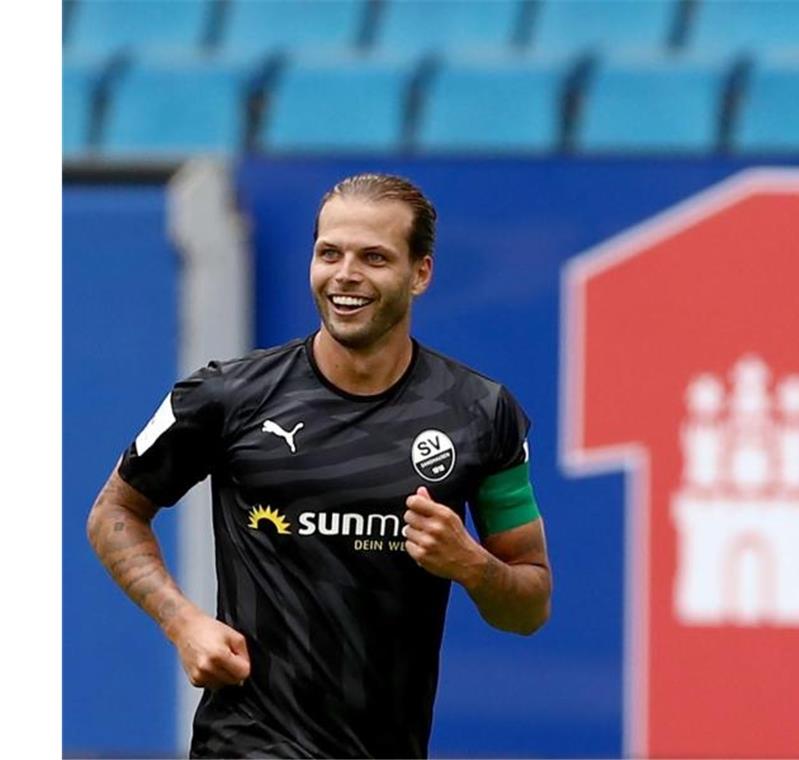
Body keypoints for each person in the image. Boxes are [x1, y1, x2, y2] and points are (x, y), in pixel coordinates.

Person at [86, 173, 553, 758]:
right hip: (249, 741)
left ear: (421, 273)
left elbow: (530, 605)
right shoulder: (224, 396)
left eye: (374, 257)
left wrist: (471, 565)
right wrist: (181, 622)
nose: (345, 275)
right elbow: (114, 512)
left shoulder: (483, 414)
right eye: (329, 253)